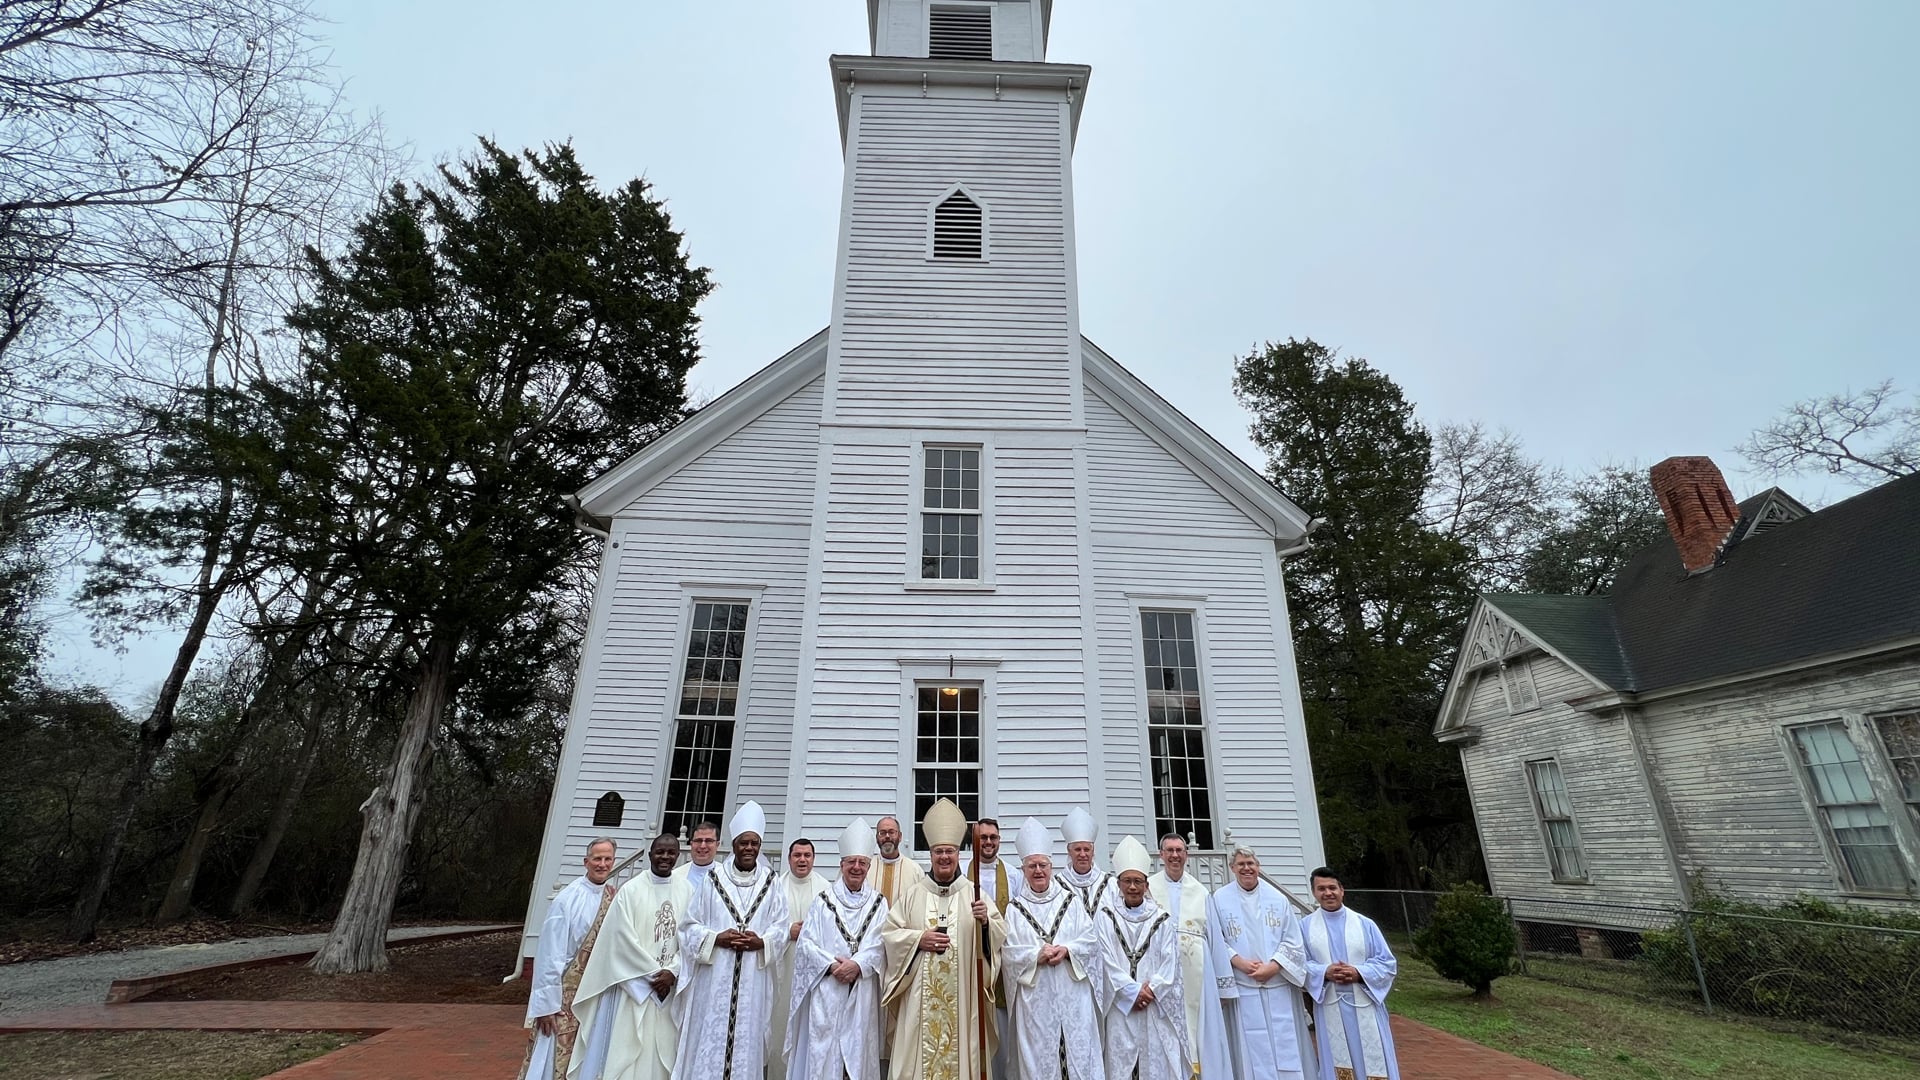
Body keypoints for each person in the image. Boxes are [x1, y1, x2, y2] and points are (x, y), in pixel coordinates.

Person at [880, 798, 1008, 1080]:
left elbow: (999, 935)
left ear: (958, 855)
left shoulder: (974, 895)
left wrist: (986, 922)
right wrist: (918, 940)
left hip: (963, 1002)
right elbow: (890, 934)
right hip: (918, 1005)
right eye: (939, 852)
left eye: (949, 851)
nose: (944, 858)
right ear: (931, 855)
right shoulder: (913, 895)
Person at [673, 800, 791, 1080]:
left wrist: (762, 942)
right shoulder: (712, 880)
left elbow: (782, 927)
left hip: (753, 980)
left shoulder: (771, 883)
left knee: (746, 1043)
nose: (749, 848)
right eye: (743, 843)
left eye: (754, 843)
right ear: (734, 844)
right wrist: (716, 938)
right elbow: (688, 927)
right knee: (708, 1041)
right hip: (714, 979)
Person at [569, 834, 692, 1080]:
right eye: (660, 852)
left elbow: (690, 936)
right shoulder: (631, 890)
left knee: (664, 1053)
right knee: (629, 1056)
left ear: (677, 856)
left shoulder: (687, 890)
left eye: (670, 853)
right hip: (635, 989)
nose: (665, 857)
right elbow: (620, 940)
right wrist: (653, 976)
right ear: (650, 854)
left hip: (670, 989)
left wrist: (673, 971)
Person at [786, 818, 891, 1080]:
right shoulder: (823, 902)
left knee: (857, 1056)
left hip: (862, 992)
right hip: (828, 991)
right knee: (825, 1055)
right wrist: (832, 966)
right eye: (851, 862)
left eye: (862, 863)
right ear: (841, 864)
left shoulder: (879, 904)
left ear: (869, 866)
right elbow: (807, 944)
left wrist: (857, 965)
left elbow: (881, 942)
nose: (856, 867)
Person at [1001, 816, 1103, 1080]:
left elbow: (1090, 942)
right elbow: (1009, 954)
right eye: (1032, 866)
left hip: (1073, 997)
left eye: (1043, 865)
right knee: (1039, 1059)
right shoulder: (1014, 910)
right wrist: (1037, 954)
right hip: (1036, 1002)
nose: (1038, 871)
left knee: (1079, 1055)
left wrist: (1068, 950)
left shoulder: (1071, 902)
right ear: (1023, 869)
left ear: (1051, 866)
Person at [518, 838, 621, 1080]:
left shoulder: (615, 897)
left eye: (607, 859)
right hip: (563, 996)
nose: (602, 864)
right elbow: (549, 955)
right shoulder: (568, 900)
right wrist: (546, 1007)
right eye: (597, 858)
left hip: (597, 993)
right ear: (586, 862)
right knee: (554, 1057)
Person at [1210, 846, 1312, 1080]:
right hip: (1244, 985)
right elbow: (1216, 939)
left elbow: (1293, 940)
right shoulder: (1220, 898)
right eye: (1241, 864)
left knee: (1285, 1046)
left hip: (1278, 985)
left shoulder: (1278, 898)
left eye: (1251, 863)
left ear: (1258, 866)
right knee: (1249, 1049)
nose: (1246, 868)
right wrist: (1240, 963)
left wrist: (1274, 966)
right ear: (1232, 867)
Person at [1094, 836, 1187, 1080]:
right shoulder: (1105, 917)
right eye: (1127, 881)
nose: (1132, 887)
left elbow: (1171, 965)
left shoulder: (1162, 920)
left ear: (1146, 885)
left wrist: (1151, 990)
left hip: (1153, 1006)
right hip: (1120, 1007)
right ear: (1118, 884)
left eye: (1137, 881)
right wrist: (1132, 992)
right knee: (1120, 1065)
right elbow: (1104, 960)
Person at [1299, 868, 1400, 1080]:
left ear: (1342, 890)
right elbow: (1299, 964)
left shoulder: (1365, 924)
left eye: (1332, 887)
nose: (1328, 893)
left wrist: (1358, 972)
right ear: (1314, 893)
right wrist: (1324, 971)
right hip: (1329, 1006)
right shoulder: (1305, 927)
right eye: (1321, 889)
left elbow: (1388, 963)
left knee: (1375, 1059)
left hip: (1366, 1006)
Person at [1147, 833, 1234, 1079]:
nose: (1175, 855)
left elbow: (1216, 939)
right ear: (1161, 854)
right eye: (1169, 850)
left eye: (1179, 850)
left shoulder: (1201, 891)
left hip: (1199, 972)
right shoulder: (1149, 888)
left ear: (1186, 854)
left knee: (1203, 1029)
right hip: (1161, 971)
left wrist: (1222, 985)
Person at [772, 837, 834, 1080]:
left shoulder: (824, 888)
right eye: (797, 855)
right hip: (783, 966)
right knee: (780, 1023)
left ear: (813, 859)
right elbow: (765, 925)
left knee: (809, 1027)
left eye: (807, 855)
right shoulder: (776, 887)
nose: (802, 860)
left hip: (812, 970)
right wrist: (788, 931)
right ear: (789, 858)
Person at [963, 818, 1016, 1079]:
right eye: (982, 837)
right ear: (974, 840)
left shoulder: (1014, 875)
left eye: (992, 837)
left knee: (1004, 1029)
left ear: (999, 840)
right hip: (971, 956)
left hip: (1004, 960)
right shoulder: (962, 872)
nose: (988, 842)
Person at [1058, 806, 1117, 919]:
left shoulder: (1110, 884)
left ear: (1093, 851)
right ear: (1069, 851)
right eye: (1077, 849)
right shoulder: (1057, 885)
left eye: (1086, 849)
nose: (1082, 854)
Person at [874, 814, 927, 906]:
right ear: (877, 838)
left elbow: (922, 905)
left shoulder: (915, 871)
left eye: (891, 832)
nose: (887, 836)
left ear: (900, 836)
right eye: (882, 833)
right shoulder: (867, 868)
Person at [673, 820, 721, 892]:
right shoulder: (676, 876)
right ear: (691, 844)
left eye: (708, 841)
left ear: (717, 845)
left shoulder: (726, 876)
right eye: (698, 840)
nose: (702, 846)